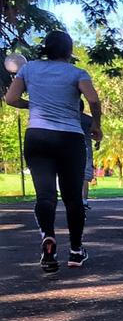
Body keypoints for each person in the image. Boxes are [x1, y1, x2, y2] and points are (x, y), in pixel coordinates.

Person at [4, 29, 102, 272]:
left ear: (46, 49)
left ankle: (48, 239)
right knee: (72, 198)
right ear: (69, 51)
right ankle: (76, 251)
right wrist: (97, 125)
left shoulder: (29, 69)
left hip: (37, 136)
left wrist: (32, 104)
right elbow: (93, 100)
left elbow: (10, 99)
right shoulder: (77, 72)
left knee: (45, 196)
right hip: (70, 138)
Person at [80, 100, 100, 210]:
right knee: (85, 177)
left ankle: (74, 200)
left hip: (70, 149)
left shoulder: (69, 119)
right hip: (86, 149)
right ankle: (84, 200)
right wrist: (97, 142)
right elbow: (96, 132)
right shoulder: (88, 119)